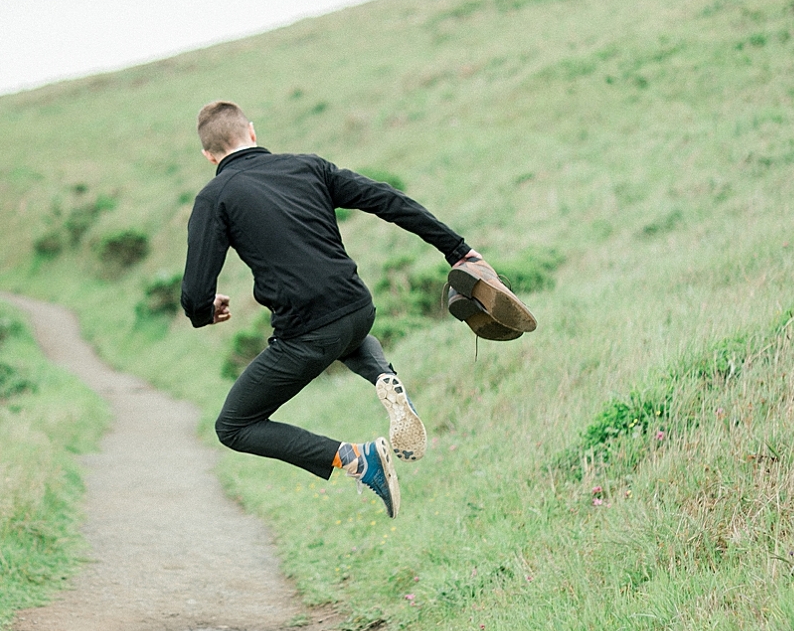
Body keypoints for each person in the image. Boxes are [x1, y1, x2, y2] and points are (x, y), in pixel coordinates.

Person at [180, 101, 536, 519]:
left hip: (306, 333)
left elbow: (195, 291)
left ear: (209, 155)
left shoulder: (215, 197)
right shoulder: (307, 166)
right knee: (347, 335)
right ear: (252, 133)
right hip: (356, 308)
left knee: (234, 426)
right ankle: (385, 377)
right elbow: (387, 199)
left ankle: (355, 458)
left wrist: (205, 311)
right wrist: (458, 251)